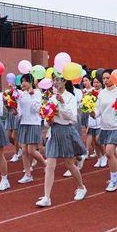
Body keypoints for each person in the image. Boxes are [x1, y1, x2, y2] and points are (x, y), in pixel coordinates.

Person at [36, 74, 88, 207]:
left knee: (69, 164)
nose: (55, 82)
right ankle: (47, 197)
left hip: (66, 132)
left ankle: (81, 187)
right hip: (54, 132)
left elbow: (72, 117)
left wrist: (62, 104)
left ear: (64, 81)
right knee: (50, 165)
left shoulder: (70, 97)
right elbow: (47, 121)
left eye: (58, 80)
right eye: (54, 80)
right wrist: (48, 120)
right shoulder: (51, 98)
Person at [93, 69, 117, 192]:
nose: (106, 80)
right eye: (104, 78)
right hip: (105, 126)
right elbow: (98, 109)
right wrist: (93, 113)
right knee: (113, 155)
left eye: (108, 78)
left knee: (109, 152)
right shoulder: (101, 93)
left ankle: (115, 180)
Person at [16, 74, 46, 184]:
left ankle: (46, 164)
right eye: (22, 81)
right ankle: (27, 174)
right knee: (24, 150)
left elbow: (37, 109)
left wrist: (32, 95)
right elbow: (20, 111)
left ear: (31, 82)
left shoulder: (37, 93)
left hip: (34, 123)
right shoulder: (21, 95)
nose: (23, 83)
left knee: (31, 150)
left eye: (25, 81)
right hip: (24, 123)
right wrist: (16, 113)